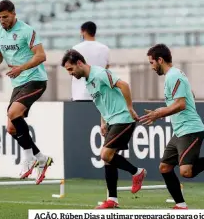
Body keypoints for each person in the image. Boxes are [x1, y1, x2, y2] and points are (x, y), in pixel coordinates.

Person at [0, 0, 53, 184]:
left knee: (13, 113)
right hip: (18, 84)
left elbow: (41, 56)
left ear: (13, 13)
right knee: (11, 128)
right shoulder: (0, 33)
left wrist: (21, 68)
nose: (2, 21)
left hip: (35, 80)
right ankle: (41, 158)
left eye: (5, 17)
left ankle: (28, 157)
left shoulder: (27, 30)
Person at [61, 49, 146, 209]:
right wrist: (103, 122)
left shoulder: (100, 73)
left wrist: (130, 108)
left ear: (79, 63)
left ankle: (137, 172)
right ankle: (112, 199)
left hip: (123, 118)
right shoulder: (88, 81)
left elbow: (124, 85)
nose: (70, 73)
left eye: (71, 69)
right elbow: (102, 102)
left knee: (105, 154)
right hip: (112, 121)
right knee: (108, 159)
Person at [140, 44, 204, 209]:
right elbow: (190, 95)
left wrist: (159, 113)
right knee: (165, 167)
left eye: (152, 63)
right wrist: (163, 112)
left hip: (190, 129)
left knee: (186, 172)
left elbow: (180, 104)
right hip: (180, 131)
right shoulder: (174, 75)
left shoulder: (173, 75)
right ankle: (180, 205)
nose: (151, 67)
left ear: (160, 60)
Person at [71, 21, 110, 102]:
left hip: (80, 94)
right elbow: (106, 69)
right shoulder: (105, 49)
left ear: (83, 31)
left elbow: (72, 70)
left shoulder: (75, 48)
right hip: (100, 95)